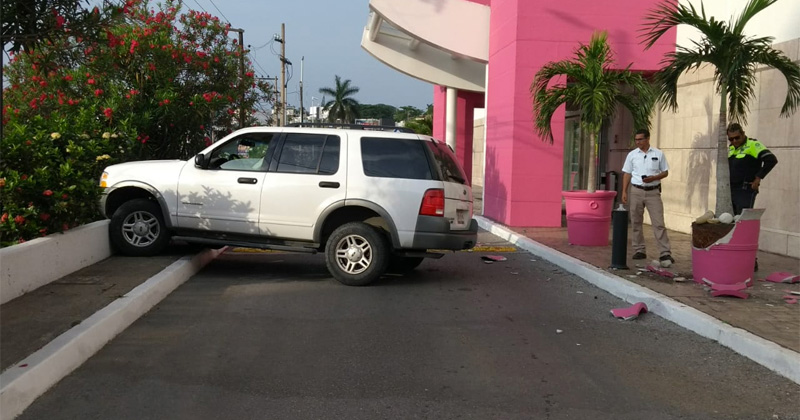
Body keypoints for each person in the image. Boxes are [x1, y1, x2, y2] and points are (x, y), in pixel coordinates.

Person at [621, 129, 673, 263]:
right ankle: (639, 250)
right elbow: (627, 173)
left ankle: (665, 252)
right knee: (636, 221)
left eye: (640, 139)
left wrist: (654, 178)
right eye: (636, 140)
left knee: (658, 223)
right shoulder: (632, 155)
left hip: (653, 192)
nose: (638, 142)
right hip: (636, 191)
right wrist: (624, 191)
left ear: (648, 139)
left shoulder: (658, 153)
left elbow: (665, 172)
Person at [727, 123, 778, 215]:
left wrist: (758, 178)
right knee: (729, 219)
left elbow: (771, 160)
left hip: (745, 190)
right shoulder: (731, 148)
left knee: (742, 219)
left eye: (737, 137)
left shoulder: (753, 145)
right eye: (731, 139)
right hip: (730, 190)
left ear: (743, 134)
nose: (734, 141)